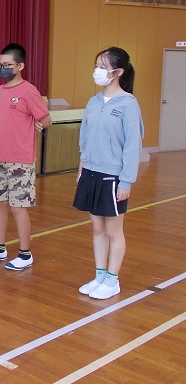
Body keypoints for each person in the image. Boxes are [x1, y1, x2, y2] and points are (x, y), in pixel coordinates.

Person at [73, 46, 143, 300]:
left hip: (112, 177)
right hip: (91, 172)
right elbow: (85, 139)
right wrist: (82, 169)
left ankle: (113, 280)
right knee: (97, 228)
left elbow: (132, 146)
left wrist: (126, 181)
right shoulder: (94, 102)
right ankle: (100, 276)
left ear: (118, 72)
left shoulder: (128, 105)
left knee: (114, 231)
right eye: (97, 66)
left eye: (103, 66)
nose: (98, 71)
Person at [0, 43, 51, 270]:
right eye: (0, 64)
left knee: (18, 207)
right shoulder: (0, 91)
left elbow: (45, 119)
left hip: (20, 159)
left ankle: (25, 253)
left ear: (20, 66)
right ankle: (0, 248)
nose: (3, 69)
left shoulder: (28, 91)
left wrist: (40, 124)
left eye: (8, 65)